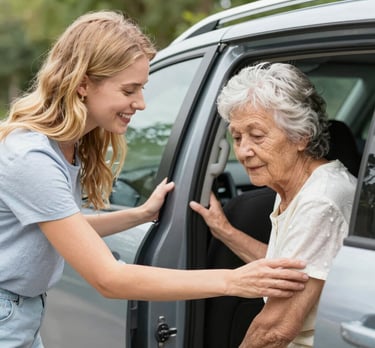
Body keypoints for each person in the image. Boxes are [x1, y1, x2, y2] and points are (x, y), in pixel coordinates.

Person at [0, 13, 310, 348]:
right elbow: (108, 279)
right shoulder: (31, 157)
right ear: (83, 84)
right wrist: (233, 280)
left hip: (22, 310)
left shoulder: (65, 147)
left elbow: (64, 228)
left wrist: (141, 214)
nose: (141, 103)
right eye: (129, 90)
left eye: (142, 88)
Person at [190, 62, 357, 348]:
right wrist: (223, 230)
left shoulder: (320, 200)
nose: (243, 151)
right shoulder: (295, 182)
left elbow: (275, 330)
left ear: (300, 136)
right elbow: (287, 271)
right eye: (238, 137)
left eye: (257, 136)